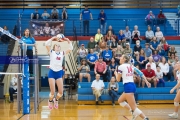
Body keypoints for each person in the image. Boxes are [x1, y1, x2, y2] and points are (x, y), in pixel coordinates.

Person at [114, 54, 150, 120]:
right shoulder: (131, 66)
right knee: (120, 101)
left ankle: (145, 118)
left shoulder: (121, 67)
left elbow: (118, 79)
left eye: (121, 57)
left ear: (124, 59)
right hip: (131, 86)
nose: (120, 58)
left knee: (134, 108)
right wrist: (146, 81)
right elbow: (140, 73)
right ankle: (132, 111)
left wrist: (116, 73)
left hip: (128, 87)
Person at [45, 34, 73, 110]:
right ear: (54, 48)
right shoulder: (51, 52)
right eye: (56, 45)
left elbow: (71, 48)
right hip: (52, 73)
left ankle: (56, 100)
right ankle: (50, 100)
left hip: (59, 73)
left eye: (59, 45)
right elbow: (46, 44)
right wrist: (53, 38)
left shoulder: (62, 53)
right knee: (52, 92)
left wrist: (68, 40)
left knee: (60, 92)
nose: (58, 46)